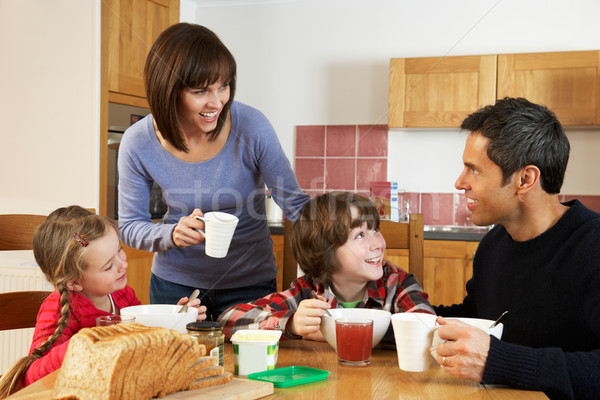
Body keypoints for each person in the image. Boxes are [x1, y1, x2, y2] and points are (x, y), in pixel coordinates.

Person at [117, 23, 309, 321]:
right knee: (179, 366)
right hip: (176, 286)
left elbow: (296, 205)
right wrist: (173, 234)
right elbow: (130, 226)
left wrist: (344, 244)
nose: (217, 101)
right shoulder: (137, 141)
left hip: (251, 284)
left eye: (223, 86)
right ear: (168, 91)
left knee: (250, 367)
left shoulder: (252, 126)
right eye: (200, 90)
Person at [431, 97, 600, 399]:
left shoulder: (593, 245)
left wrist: (497, 360)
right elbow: (477, 316)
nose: (459, 182)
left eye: (474, 169)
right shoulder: (494, 244)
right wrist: (385, 313)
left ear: (525, 179)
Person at [0, 206, 205, 398]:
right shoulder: (58, 309)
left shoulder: (121, 294)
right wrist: (86, 343)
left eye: (119, 250)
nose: (123, 264)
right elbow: (31, 377)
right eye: (108, 266)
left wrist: (175, 318)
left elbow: (141, 334)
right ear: (73, 282)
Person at [218, 192, 434, 342]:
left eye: (375, 229)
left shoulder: (398, 285)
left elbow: (428, 329)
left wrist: (340, 333)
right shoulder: (307, 292)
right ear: (326, 252)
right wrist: (291, 324)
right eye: (360, 235)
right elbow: (227, 320)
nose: (378, 243)